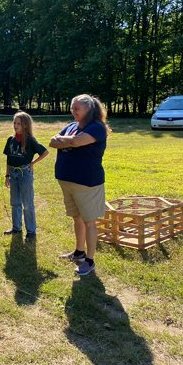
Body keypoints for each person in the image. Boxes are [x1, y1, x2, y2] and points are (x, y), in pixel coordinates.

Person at [49, 94, 111, 276]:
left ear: (88, 109)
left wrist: (67, 141)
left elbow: (76, 141)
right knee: (77, 218)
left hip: (87, 182)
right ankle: (79, 252)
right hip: (67, 181)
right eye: (72, 107)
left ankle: (89, 261)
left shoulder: (97, 127)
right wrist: (68, 141)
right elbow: (52, 142)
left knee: (89, 222)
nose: (73, 111)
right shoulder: (71, 126)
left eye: (77, 108)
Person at [3, 112, 49, 239]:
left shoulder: (30, 140)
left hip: (25, 174)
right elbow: (9, 159)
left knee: (27, 203)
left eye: (18, 123)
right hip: (13, 173)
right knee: (15, 202)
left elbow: (45, 152)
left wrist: (32, 163)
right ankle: (16, 228)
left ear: (25, 126)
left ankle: (31, 231)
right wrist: (7, 176)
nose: (15, 126)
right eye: (14, 123)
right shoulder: (10, 140)